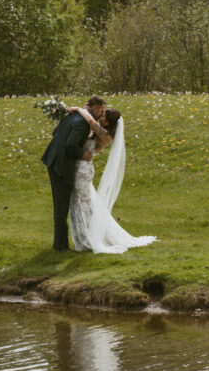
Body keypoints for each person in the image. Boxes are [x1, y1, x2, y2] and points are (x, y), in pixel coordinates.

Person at [66, 105, 156, 254]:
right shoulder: (100, 132)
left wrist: (78, 109)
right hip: (81, 167)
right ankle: (86, 237)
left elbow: (89, 120)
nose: (100, 117)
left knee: (80, 203)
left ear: (107, 122)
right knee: (82, 204)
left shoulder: (105, 134)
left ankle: (86, 240)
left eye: (102, 116)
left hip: (83, 170)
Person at [42, 96, 107, 250]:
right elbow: (71, 145)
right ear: (92, 108)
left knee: (61, 204)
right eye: (100, 110)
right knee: (61, 207)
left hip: (52, 160)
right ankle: (61, 245)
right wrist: (82, 154)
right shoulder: (83, 124)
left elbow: (55, 132)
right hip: (61, 166)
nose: (101, 114)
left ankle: (62, 243)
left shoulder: (72, 116)